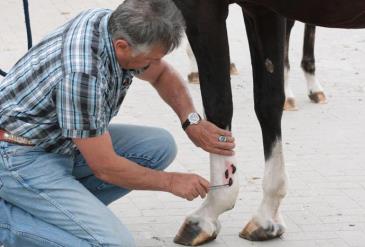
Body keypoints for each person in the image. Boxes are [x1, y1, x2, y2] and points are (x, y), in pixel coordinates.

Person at [0, 0, 235, 246]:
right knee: (113, 243)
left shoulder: (109, 23)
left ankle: (57, 214)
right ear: (122, 46)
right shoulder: (82, 75)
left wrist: (191, 121)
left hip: (58, 143)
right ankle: (9, 222)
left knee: (159, 146)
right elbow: (105, 167)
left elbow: (162, 74)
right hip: (19, 157)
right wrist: (171, 182)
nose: (152, 64)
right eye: (150, 58)